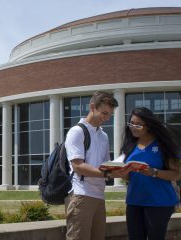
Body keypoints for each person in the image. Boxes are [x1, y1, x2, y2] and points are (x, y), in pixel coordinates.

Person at [112, 107, 181, 240]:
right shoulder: (130, 144)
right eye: (131, 123)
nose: (133, 127)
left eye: (138, 124)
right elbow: (129, 177)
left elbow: (176, 174)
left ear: (148, 126)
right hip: (134, 201)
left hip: (159, 202)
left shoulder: (162, 144)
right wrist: (122, 173)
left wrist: (153, 172)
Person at [64, 91, 118, 240]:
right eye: (104, 113)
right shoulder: (77, 132)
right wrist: (107, 174)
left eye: (109, 115)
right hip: (81, 195)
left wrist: (121, 168)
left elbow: (106, 165)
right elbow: (78, 166)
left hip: (99, 196)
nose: (107, 118)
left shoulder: (103, 135)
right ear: (92, 107)